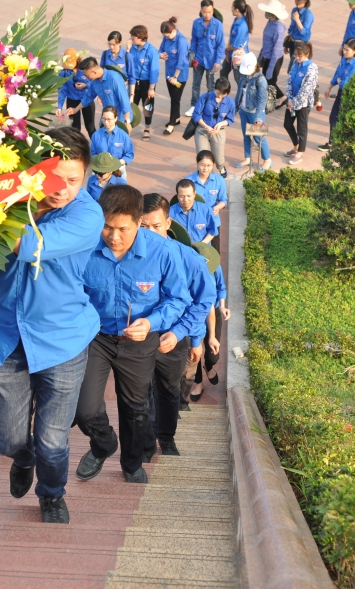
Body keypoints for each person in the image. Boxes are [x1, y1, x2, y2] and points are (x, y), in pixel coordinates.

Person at [0, 126, 104, 525]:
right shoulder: (18, 199)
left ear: (85, 175)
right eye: (53, 176)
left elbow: (29, 244)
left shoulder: (87, 214)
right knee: (8, 438)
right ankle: (22, 457)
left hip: (62, 340)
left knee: (53, 440)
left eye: (73, 179)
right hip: (6, 336)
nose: (61, 188)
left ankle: (51, 494)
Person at [74, 185, 191, 485]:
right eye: (107, 227)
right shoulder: (86, 247)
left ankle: (131, 462)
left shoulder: (162, 252)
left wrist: (151, 323)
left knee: (136, 407)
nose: (114, 237)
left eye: (122, 229)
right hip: (96, 337)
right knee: (84, 407)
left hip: (139, 340)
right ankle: (103, 443)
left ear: (138, 222)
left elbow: (178, 299)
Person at [139, 193, 215, 459]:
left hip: (174, 335)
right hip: (140, 336)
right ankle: (145, 444)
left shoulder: (188, 258)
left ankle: (166, 437)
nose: (149, 233)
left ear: (168, 223)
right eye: (143, 226)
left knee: (169, 390)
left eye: (156, 226)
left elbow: (203, 300)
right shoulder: (129, 255)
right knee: (141, 392)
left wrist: (189, 336)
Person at [187, 249, 228, 403]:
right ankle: (198, 383)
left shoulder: (215, 267)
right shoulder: (187, 272)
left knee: (213, 354)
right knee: (193, 353)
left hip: (212, 314)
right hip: (193, 316)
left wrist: (222, 307)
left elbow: (221, 288)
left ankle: (209, 366)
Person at [277, 41, 319, 165]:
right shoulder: (296, 64)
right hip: (292, 102)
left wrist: (293, 102)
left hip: (303, 104)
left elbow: (306, 90)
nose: (297, 58)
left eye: (299, 56)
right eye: (295, 55)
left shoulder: (312, 68)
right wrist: (289, 98)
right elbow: (289, 81)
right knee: (287, 124)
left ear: (306, 54)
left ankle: (300, 152)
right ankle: (296, 146)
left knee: (302, 128)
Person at [318, 39, 355, 153]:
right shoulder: (344, 59)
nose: (344, 51)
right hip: (342, 92)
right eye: (344, 49)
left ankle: (343, 144)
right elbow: (338, 73)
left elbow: (346, 82)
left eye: (347, 50)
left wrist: (339, 81)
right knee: (333, 117)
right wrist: (330, 85)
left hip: (350, 94)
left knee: (345, 119)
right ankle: (333, 143)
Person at [186, 0, 226, 117]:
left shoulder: (217, 25)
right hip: (198, 60)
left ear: (213, 10)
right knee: (196, 84)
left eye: (209, 12)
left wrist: (218, 61)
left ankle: (210, 106)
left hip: (211, 61)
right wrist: (192, 56)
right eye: (204, 12)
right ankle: (194, 105)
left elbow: (220, 44)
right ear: (201, 11)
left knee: (211, 85)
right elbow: (194, 41)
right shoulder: (196, 23)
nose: (207, 14)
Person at [69, 56, 133, 129]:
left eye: (87, 75)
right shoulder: (94, 82)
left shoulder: (114, 78)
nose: (86, 77)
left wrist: (127, 121)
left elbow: (124, 100)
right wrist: (75, 110)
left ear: (94, 72)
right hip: (106, 118)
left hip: (120, 119)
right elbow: (87, 97)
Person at [232, 52, 272, 170]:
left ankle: (267, 160)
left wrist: (258, 117)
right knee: (246, 135)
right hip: (244, 111)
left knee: (258, 137)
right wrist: (235, 108)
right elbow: (239, 93)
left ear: (255, 66)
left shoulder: (261, 80)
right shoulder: (244, 76)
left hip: (255, 113)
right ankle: (248, 158)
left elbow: (262, 100)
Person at [192, 79, 235, 178]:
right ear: (215, 89)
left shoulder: (230, 103)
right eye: (217, 92)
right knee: (202, 156)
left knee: (219, 158)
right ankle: (203, 173)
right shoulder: (205, 97)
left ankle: (221, 167)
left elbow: (230, 119)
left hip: (218, 132)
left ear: (227, 93)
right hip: (203, 130)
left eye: (222, 94)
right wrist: (206, 126)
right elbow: (196, 115)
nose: (219, 96)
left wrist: (220, 124)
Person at [185, 150, 227, 243]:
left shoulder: (219, 180)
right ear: (197, 164)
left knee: (214, 253)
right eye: (202, 165)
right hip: (194, 221)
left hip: (213, 220)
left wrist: (217, 207)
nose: (205, 168)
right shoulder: (188, 180)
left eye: (209, 165)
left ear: (213, 165)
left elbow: (223, 200)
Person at [127, 25, 161, 141]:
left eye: (133, 37)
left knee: (147, 106)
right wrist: (127, 50)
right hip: (134, 82)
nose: (131, 39)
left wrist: (152, 87)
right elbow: (129, 63)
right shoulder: (132, 48)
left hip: (147, 83)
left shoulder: (151, 50)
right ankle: (129, 125)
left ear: (140, 37)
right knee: (131, 105)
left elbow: (154, 70)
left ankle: (147, 127)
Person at [159, 17, 191, 134]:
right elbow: (161, 49)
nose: (166, 38)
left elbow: (182, 61)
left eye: (167, 36)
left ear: (173, 31)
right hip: (169, 73)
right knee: (173, 97)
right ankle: (176, 118)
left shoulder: (181, 41)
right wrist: (160, 55)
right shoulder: (166, 38)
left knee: (175, 99)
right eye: (165, 36)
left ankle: (171, 124)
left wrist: (175, 77)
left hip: (179, 76)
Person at [56, 48, 95, 137]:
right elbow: (62, 90)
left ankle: (96, 149)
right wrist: (59, 106)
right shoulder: (64, 72)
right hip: (72, 101)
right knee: (75, 130)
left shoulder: (84, 69)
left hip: (86, 100)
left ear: (77, 60)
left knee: (90, 127)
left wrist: (85, 85)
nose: (69, 67)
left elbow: (94, 82)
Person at [90, 106, 134, 180]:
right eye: (104, 119)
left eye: (109, 119)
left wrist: (116, 164)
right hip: (100, 171)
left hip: (118, 170)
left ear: (116, 118)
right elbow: (93, 153)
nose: (106, 122)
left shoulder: (124, 136)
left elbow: (129, 154)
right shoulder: (96, 135)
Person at [169, 178, 219, 245]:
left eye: (189, 196)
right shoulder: (170, 213)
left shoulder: (206, 210)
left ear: (194, 193)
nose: (185, 199)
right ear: (177, 195)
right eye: (182, 196)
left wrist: (201, 245)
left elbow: (212, 231)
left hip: (201, 251)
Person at [221, 0, 253, 83]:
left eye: (232, 7)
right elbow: (231, 37)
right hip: (231, 52)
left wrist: (227, 49)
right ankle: (224, 91)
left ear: (237, 10)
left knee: (239, 79)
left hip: (239, 56)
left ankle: (242, 95)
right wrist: (228, 52)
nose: (231, 8)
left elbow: (236, 45)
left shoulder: (242, 26)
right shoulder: (236, 20)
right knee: (223, 72)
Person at [258, 0, 288, 89]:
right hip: (266, 56)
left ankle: (282, 97)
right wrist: (260, 57)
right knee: (264, 82)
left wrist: (271, 68)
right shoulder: (270, 22)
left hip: (274, 59)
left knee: (270, 83)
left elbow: (276, 51)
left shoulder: (278, 28)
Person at [286, 0, 314, 72]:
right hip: (292, 41)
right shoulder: (294, 10)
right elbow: (291, 27)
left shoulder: (308, 14)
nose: (297, 2)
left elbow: (303, 32)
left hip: (301, 43)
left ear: (305, 1)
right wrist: (286, 43)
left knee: (292, 69)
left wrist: (297, 20)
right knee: (294, 67)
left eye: (300, 0)